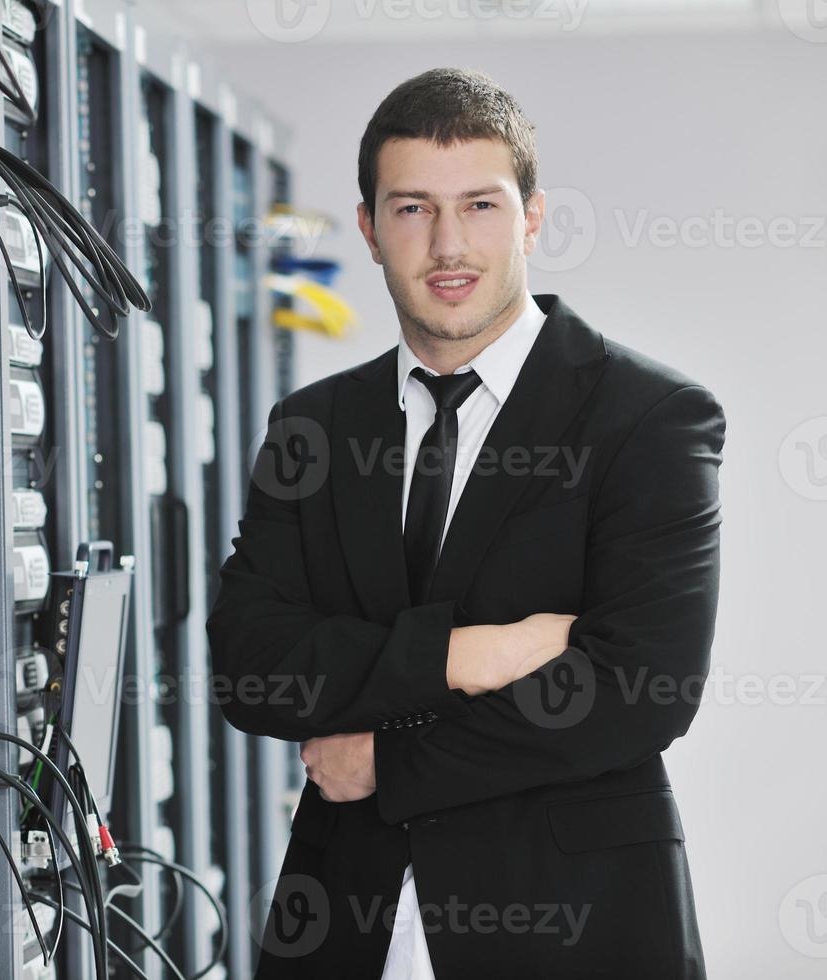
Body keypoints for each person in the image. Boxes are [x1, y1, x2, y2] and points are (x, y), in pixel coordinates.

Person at [207, 67, 723, 978]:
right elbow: (253, 669)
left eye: (480, 205)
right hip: (345, 929)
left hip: (575, 930)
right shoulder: (314, 428)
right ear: (368, 228)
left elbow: (641, 690)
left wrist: (388, 764)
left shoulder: (649, 418)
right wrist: (473, 654)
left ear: (531, 216)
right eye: (411, 209)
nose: (448, 244)